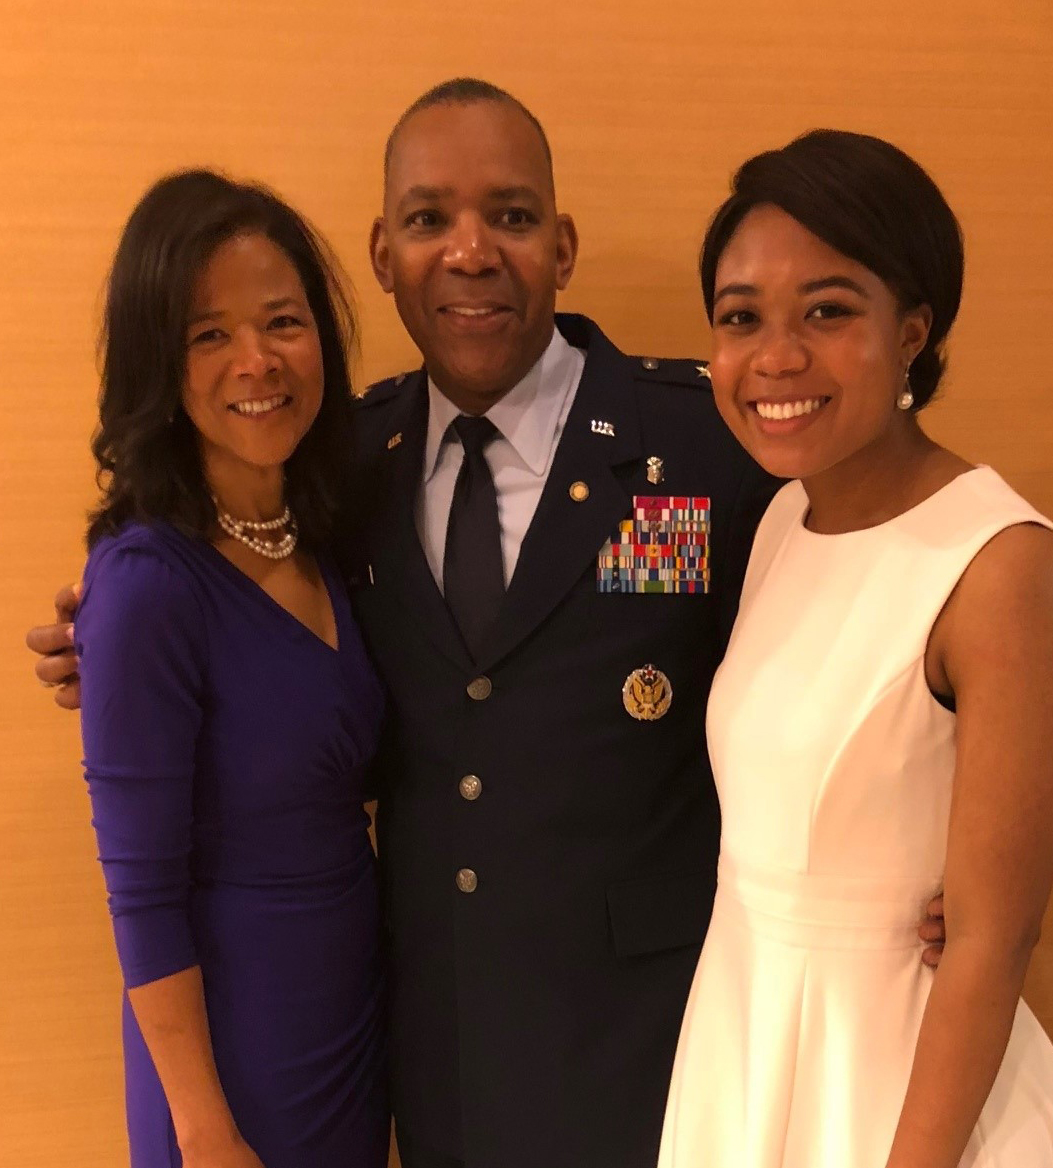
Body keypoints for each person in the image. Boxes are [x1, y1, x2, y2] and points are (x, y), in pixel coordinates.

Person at [27, 82, 946, 1168]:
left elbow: (859, 613)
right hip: (425, 1040)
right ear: (381, 251)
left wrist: (912, 857)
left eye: (510, 216)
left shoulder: (702, 438)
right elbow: (249, 624)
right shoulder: (344, 465)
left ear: (560, 245)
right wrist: (120, 634)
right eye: (428, 220)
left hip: (651, 1037)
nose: (469, 252)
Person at [657, 129, 1053, 1168]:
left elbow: (991, 941)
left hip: (900, 1081)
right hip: (746, 1029)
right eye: (740, 318)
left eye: (827, 310)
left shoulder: (1001, 565)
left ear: (912, 329)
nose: (775, 358)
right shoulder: (778, 521)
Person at [72, 170, 388, 1168]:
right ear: (157, 363)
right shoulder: (145, 586)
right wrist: (204, 1128)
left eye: (282, 322)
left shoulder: (328, 541)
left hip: (347, 1022)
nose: (257, 360)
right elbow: (142, 894)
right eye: (209, 334)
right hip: (230, 1060)